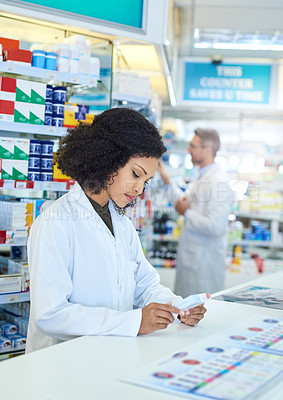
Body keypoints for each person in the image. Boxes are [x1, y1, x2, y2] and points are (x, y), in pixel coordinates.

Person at [26, 108, 208, 353]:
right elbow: (49, 315)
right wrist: (133, 322)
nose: (138, 189)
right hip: (61, 364)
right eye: (135, 174)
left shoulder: (121, 223)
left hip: (108, 357)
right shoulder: (55, 222)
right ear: (107, 158)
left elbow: (145, 285)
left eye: (145, 181)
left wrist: (178, 307)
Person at [158, 128, 233, 297]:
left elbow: (216, 227)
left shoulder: (218, 180)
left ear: (207, 150)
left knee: (201, 316)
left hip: (204, 266)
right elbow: (183, 202)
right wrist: (164, 177)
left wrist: (187, 213)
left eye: (193, 146)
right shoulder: (203, 176)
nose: (188, 150)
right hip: (194, 260)